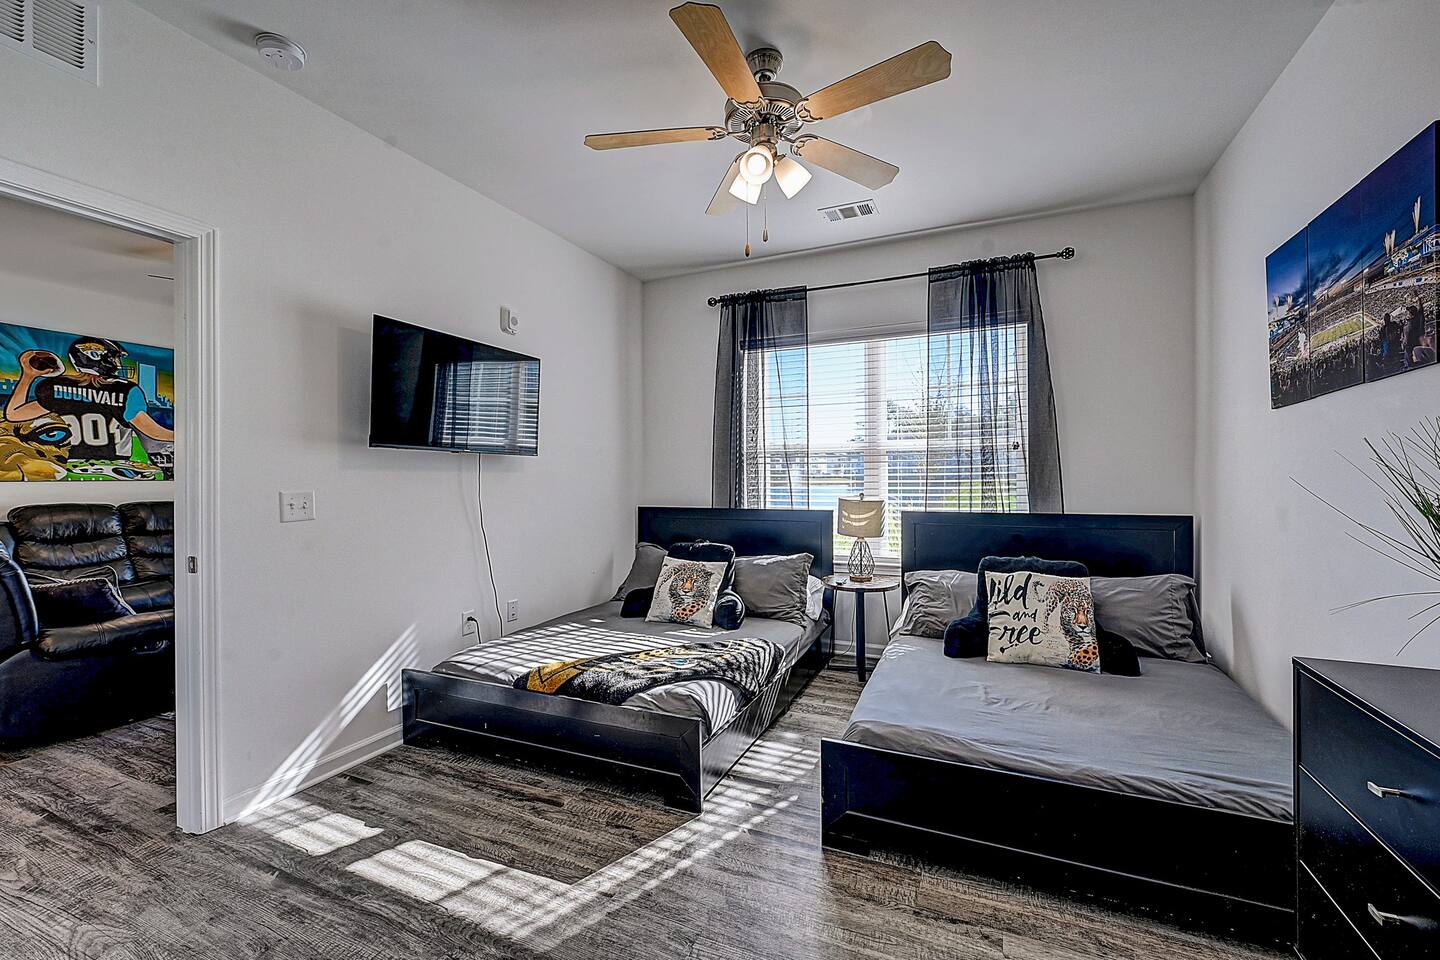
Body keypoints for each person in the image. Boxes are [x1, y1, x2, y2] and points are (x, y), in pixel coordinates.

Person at [4, 337, 173, 465]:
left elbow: (13, 414)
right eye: (114, 358)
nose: (117, 363)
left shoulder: (57, 388)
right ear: (96, 356)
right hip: (115, 464)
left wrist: (28, 376)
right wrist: (182, 436)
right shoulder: (126, 390)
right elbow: (154, 432)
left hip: (72, 464)